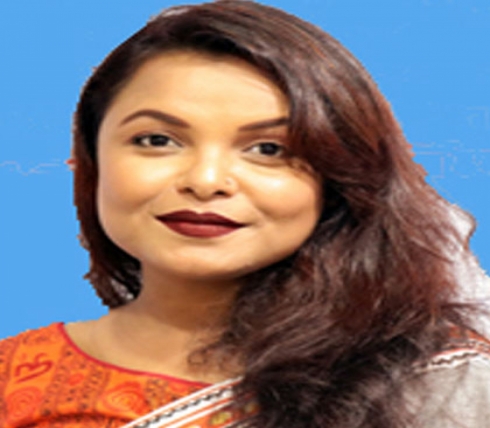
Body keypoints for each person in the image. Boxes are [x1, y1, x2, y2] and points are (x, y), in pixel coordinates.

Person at [1, 1, 489, 427]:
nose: (206, 180)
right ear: (90, 158)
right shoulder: (13, 376)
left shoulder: (429, 380)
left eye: (269, 149)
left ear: (339, 177)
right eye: (157, 140)